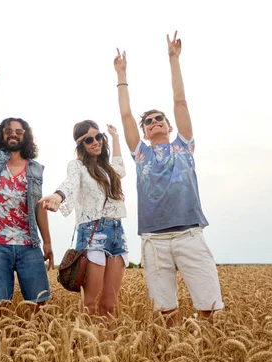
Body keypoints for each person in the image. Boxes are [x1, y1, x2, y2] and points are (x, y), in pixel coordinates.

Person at [114, 31, 224, 326]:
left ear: (169, 125)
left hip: (190, 234)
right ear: (145, 132)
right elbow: (126, 116)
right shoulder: (140, 154)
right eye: (148, 122)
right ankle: (176, 359)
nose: (153, 123)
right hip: (154, 240)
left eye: (158, 119)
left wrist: (174, 59)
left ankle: (207, 357)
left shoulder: (184, 146)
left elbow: (180, 101)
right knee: (166, 312)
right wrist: (121, 75)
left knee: (209, 308)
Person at [0, 56, 54, 307]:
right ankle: (3, 346)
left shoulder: (35, 169)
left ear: (25, 137)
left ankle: (38, 344)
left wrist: (48, 242)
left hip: (29, 243)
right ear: (2, 135)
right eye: (8, 131)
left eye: (19, 131)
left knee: (39, 304)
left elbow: (39, 207)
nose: (13, 135)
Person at [39, 121, 128, 320]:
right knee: (90, 305)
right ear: (81, 145)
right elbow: (69, 184)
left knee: (109, 305)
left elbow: (120, 166)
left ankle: (111, 349)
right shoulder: (77, 166)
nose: (95, 142)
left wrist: (115, 138)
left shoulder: (109, 169)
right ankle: (89, 349)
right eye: (89, 139)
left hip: (117, 233)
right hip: (93, 233)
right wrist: (57, 196)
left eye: (98, 137)